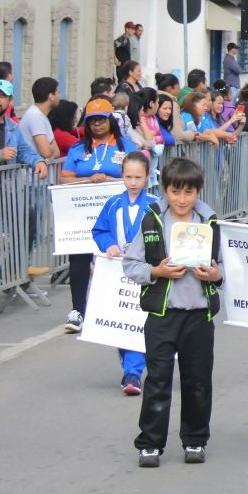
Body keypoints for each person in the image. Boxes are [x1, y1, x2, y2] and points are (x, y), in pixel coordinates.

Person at [124, 157, 223, 468]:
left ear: (198, 192)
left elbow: (228, 270)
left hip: (198, 316)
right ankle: (150, 444)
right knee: (158, 380)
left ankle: (195, 440)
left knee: (197, 380)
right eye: (175, 191)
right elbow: (131, 264)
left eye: (189, 192)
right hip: (162, 315)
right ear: (165, 190)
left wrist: (215, 276)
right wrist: (157, 271)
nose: (182, 199)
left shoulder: (210, 223)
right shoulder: (152, 221)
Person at [59, 97, 140, 333]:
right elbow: (64, 179)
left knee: (117, 255)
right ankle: (78, 310)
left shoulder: (126, 146)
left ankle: (120, 305)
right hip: (83, 214)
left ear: (110, 121)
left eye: (101, 120)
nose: (96, 125)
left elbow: (138, 175)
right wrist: (87, 179)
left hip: (117, 213)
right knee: (80, 259)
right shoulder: (78, 148)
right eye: (92, 121)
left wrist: (111, 180)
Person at [88, 150, 154, 394]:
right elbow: (100, 230)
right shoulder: (114, 203)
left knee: (139, 319)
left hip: (144, 271)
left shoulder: (154, 206)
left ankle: (133, 373)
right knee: (120, 320)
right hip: (117, 270)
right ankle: (129, 364)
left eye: (138, 177)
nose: (133, 183)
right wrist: (109, 245)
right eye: (128, 177)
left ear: (147, 177)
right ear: (122, 176)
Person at [18, 76, 60, 160]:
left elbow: (57, 152)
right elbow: (46, 152)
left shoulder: (41, 116)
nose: (59, 96)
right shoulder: (35, 116)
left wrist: (49, 147)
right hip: (33, 171)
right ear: (51, 96)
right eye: (57, 92)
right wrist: (49, 147)